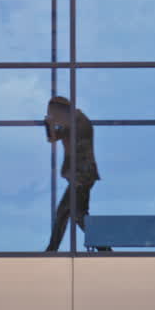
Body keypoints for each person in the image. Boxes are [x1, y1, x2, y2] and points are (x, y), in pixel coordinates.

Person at [43, 96, 108, 251]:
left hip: (82, 176)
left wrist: (51, 124)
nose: (55, 118)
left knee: (65, 213)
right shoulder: (74, 120)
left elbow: (57, 137)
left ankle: (52, 250)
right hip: (81, 176)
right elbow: (52, 138)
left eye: (54, 114)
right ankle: (104, 248)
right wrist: (49, 125)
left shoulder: (78, 121)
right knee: (78, 215)